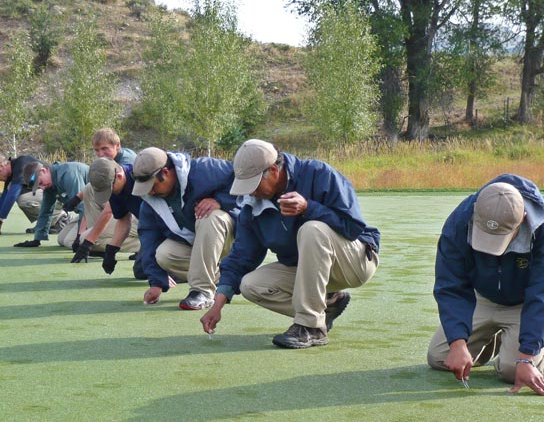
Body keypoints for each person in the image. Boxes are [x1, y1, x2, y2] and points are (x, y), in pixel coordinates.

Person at [200, 139, 380, 349]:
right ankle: (330, 303)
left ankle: (311, 327)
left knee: (312, 229)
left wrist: (308, 208)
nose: (250, 192)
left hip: (354, 262)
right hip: (309, 272)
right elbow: (242, 256)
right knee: (250, 285)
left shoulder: (319, 173)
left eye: (254, 184)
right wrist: (218, 304)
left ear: (274, 170)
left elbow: (353, 227)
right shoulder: (252, 207)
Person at [427, 175, 544, 396]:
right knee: (441, 357)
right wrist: (458, 343)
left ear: (523, 219)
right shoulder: (459, 221)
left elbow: (541, 293)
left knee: (512, 369)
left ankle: (527, 347)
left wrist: (527, 356)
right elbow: (450, 285)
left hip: (526, 304)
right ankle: (499, 340)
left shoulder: (542, 228)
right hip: (482, 299)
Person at [132, 147, 237, 310]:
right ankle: (227, 276)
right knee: (164, 254)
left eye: (152, 185)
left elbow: (245, 181)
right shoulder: (150, 200)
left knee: (210, 216)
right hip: (199, 245)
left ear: (165, 172)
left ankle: (202, 291)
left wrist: (220, 201)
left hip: (229, 239)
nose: (150, 192)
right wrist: (156, 283)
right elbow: (149, 239)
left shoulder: (205, 169)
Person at [71, 158, 141, 269]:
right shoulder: (116, 188)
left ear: (119, 176)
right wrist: (112, 250)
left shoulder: (140, 180)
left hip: (169, 229)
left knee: (154, 269)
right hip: (149, 226)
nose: (109, 194)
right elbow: (123, 219)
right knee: (140, 271)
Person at [13, 160, 88, 248]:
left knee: (71, 242)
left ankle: (104, 243)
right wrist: (37, 239)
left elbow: (84, 208)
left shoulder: (68, 174)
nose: (42, 188)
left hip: (100, 211)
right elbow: (45, 211)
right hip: (89, 213)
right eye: (38, 187)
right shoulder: (49, 184)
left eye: (40, 183)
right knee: (61, 239)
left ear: (43, 171)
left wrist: (79, 237)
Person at [0, 154, 41, 235]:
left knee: (23, 199)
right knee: (18, 194)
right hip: (47, 194)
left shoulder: (21, 164)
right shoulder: (13, 172)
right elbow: (4, 197)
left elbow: (12, 195)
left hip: (57, 194)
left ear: (2, 166)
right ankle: (46, 223)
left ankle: (56, 221)